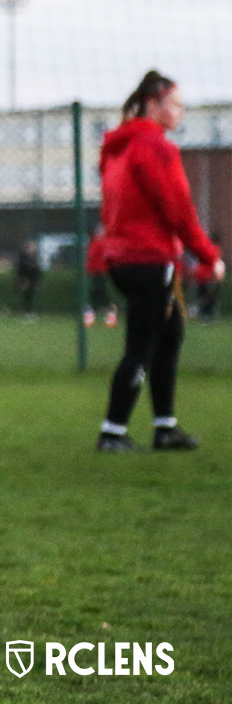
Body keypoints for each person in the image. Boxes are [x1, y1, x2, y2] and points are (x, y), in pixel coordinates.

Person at [93, 71, 223, 452]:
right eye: (176, 105)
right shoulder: (155, 148)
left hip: (121, 257)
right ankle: (112, 433)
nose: (181, 112)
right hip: (149, 258)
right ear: (154, 105)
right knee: (142, 346)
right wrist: (209, 255)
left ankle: (165, 428)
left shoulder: (119, 147)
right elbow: (179, 210)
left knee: (169, 336)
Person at [14, 241, 43, 321]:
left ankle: (29, 312)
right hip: (26, 278)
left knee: (30, 295)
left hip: (32, 278)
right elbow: (21, 269)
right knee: (27, 296)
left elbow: (37, 270)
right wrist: (22, 279)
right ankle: (27, 313)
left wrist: (37, 279)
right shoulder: (24, 257)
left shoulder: (34, 257)